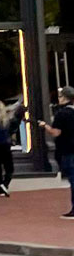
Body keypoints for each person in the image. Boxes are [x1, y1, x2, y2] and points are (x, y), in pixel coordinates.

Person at [36, 87, 74, 218]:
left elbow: (56, 132)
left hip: (68, 150)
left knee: (73, 179)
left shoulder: (62, 114)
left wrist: (44, 126)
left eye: (60, 96)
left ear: (64, 98)